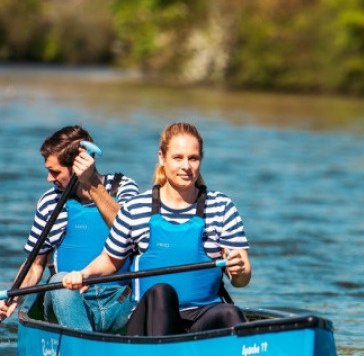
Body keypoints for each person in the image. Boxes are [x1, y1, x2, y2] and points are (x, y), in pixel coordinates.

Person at [60, 122, 251, 336]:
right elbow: (110, 260)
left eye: (193, 158)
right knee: (162, 292)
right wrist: (84, 274)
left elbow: (242, 280)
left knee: (230, 313)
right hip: (148, 319)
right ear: (162, 157)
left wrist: (240, 270)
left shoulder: (222, 206)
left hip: (202, 315)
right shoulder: (136, 208)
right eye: (178, 158)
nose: (186, 166)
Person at [0, 125, 139, 332]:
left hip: (118, 302)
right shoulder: (50, 202)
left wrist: (91, 182)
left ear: (78, 167)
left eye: (54, 172)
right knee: (59, 281)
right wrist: (14, 298)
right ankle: (86, 347)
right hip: (69, 302)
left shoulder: (124, 187)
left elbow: (129, 231)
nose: (49, 179)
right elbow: (35, 264)